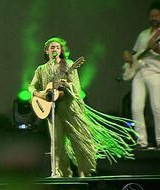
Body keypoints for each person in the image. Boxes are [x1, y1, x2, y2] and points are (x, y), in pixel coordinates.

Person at [29, 37, 136, 177]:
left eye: (57, 47)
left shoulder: (68, 64)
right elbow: (31, 86)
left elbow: (76, 87)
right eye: (52, 47)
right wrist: (41, 94)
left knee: (79, 139)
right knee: (56, 143)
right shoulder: (41, 69)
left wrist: (66, 84)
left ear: (61, 50)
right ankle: (59, 172)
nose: (55, 49)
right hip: (52, 111)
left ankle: (84, 171)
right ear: (46, 50)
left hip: (70, 108)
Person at [123, 2, 160, 149]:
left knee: (157, 106)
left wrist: (158, 51)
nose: (153, 18)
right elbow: (135, 52)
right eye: (151, 16)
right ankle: (141, 141)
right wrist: (128, 56)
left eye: (156, 15)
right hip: (139, 72)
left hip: (156, 72)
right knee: (136, 107)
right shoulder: (143, 34)